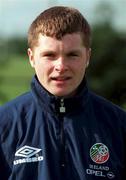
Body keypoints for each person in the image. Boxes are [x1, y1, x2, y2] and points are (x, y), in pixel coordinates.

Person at [0, 6, 126, 180]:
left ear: (87, 57)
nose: (61, 66)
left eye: (72, 55)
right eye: (49, 55)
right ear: (31, 58)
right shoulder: (4, 124)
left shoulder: (119, 125)